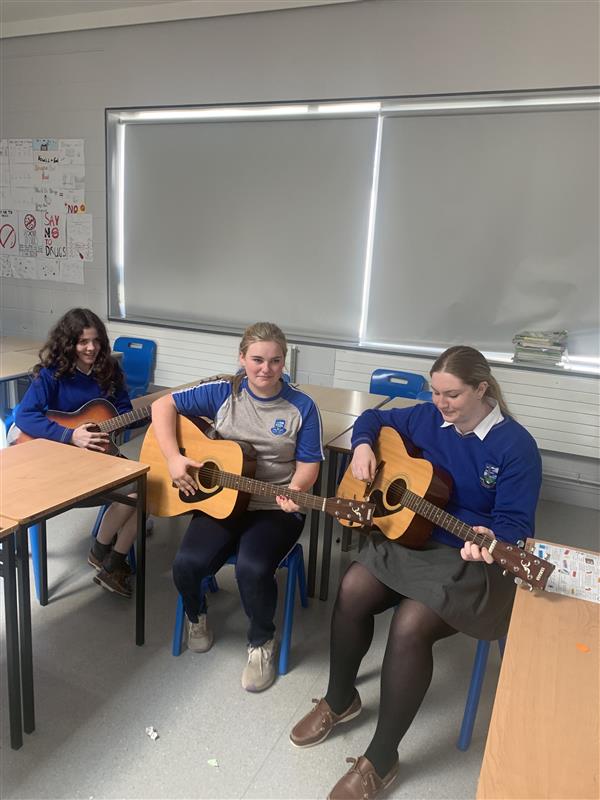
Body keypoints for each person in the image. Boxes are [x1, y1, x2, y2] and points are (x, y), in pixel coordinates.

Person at [290, 345, 542, 800]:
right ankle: (340, 699)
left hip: (471, 559)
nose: (441, 403)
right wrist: (364, 447)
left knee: (410, 625)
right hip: (416, 538)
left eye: (452, 394)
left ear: (482, 389)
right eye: (435, 392)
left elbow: (516, 526)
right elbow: (372, 419)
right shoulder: (428, 418)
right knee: (352, 587)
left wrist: (488, 534)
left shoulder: (515, 446)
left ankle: (381, 760)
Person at [151, 321, 323, 692]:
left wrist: (296, 488)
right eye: (257, 359)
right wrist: (172, 458)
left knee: (252, 567)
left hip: (276, 507)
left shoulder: (302, 407)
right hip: (222, 500)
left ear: (284, 362)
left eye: (275, 361)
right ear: (241, 358)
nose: (266, 369)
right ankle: (196, 614)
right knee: (186, 564)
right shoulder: (223, 392)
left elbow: (309, 465)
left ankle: (261, 641)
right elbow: (161, 404)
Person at [14, 308, 140, 598]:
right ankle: (107, 557)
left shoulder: (109, 371)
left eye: (96, 341)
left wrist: (123, 421)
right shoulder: (51, 375)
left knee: (147, 491)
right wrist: (70, 435)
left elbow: (124, 409)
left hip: (99, 458)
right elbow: (25, 417)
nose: (91, 348)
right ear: (69, 343)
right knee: (135, 496)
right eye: (83, 342)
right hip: (60, 466)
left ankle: (106, 555)